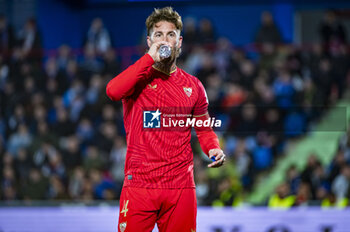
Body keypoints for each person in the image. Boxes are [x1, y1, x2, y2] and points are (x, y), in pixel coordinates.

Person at [106, 7, 226, 232]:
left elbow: (203, 127)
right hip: (140, 184)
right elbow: (112, 91)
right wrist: (149, 58)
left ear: (179, 41)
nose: (165, 40)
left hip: (180, 187)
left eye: (170, 34)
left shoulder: (194, 86)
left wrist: (213, 148)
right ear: (149, 40)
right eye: (158, 34)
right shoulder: (136, 79)